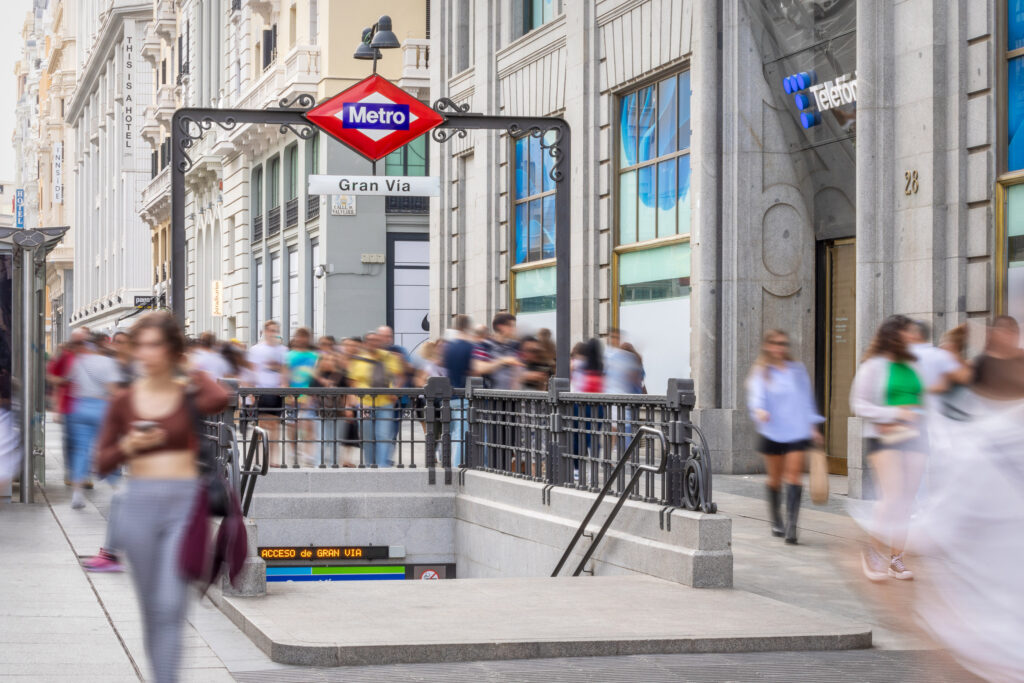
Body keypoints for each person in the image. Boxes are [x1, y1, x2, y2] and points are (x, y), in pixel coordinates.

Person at [95, 312, 228, 683]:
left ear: (172, 350)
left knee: (171, 605)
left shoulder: (188, 390)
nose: (147, 353)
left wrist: (187, 367)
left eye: (157, 345)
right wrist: (129, 444)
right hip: (139, 503)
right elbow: (101, 460)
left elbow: (220, 396)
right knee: (153, 609)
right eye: (142, 345)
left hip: (184, 504)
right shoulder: (124, 400)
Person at [850, 314, 926, 581]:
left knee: (906, 502)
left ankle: (897, 559)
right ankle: (872, 551)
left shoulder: (914, 365)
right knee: (892, 497)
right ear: (896, 334)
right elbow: (858, 405)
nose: (915, 336)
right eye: (910, 332)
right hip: (885, 438)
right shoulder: (874, 366)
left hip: (916, 437)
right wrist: (893, 414)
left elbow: (925, 401)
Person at [745, 330, 824, 543]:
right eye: (776, 343)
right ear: (768, 346)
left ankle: (791, 526)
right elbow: (756, 398)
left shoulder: (797, 370)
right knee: (775, 480)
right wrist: (759, 411)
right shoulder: (762, 372)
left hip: (796, 431)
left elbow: (806, 399)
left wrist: (813, 427)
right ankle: (776, 520)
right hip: (772, 431)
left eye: (784, 343)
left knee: (794, 477)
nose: (780, 347)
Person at [66, 334, 120, 509]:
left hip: (80, 406)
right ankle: (116, 489)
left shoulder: (79, 361)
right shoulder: (108, 363)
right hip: (102, 408)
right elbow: (112, 389)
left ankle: (77, 494)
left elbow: (71, 382)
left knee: (80, 450)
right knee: (106, 449)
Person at [347, 331, 404, 467]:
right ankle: (369, 465)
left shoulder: (389, 357)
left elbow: (400, 375)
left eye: (376, 340)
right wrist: (355, 400)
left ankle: (382, 466)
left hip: (385, 402)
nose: (373, 343)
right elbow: (352, 380)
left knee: (384, 436)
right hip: (365, 403)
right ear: (366, 343)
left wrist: (396, 390)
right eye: (370, 340)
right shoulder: (358, 359)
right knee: (367, 437)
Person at [248, 321, 288, 466]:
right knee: (263, 425)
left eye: (276, 330)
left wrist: (284, 386)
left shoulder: (283, 350)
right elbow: (252, 371)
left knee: (275, 425)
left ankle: (273, 459)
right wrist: (251, 391)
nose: (273, 333)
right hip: (261, 391)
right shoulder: (256, 350)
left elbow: (284, 370)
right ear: (265, 331)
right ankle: (257, 457)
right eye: (271, 330)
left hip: (277, 392)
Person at [442, 315, 476, 467]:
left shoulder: (448, 347)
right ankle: (455, 465)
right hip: (465, 394)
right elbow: (474, 370)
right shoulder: (469, 346)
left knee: (456, 430)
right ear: (467, 327)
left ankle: (449, 460)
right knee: (462, 432)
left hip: (452, 394)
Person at [972, 315, 1024, 402]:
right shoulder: (982, 363)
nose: (1009, 336)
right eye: (1004, 331)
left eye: (1013, 331)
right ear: (993, 334)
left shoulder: (1021, 359)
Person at [472, 313, 522, 389]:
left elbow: (520, 371)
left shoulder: (515, 346)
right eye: (511, 326)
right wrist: (502, 361)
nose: (514, 329)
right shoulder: (484, 346)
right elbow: (479, 368)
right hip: (490, 397)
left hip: (513, 397)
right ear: (500, 327)